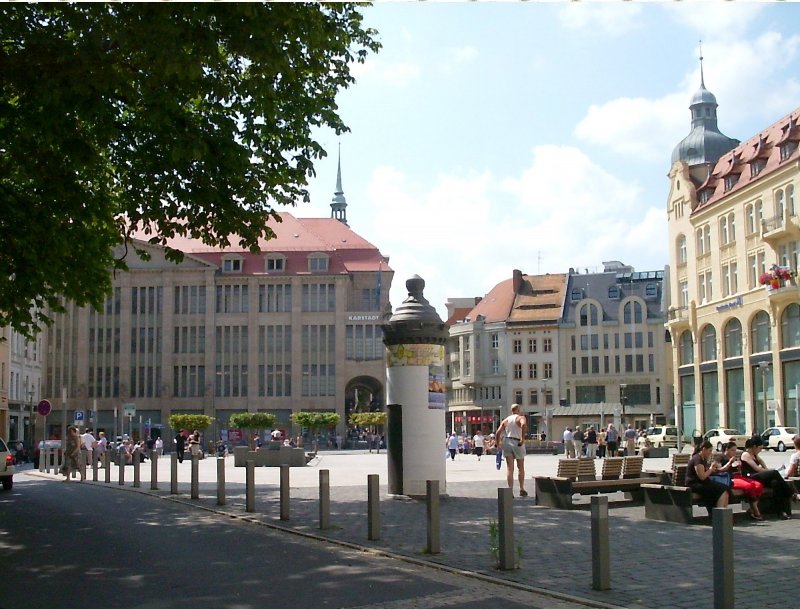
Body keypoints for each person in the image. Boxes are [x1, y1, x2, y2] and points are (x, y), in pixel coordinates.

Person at [740, 436, 798, 519]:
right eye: (759, 448)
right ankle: (791, 494)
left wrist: (768, 471)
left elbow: (762, 462)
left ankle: (780, 512)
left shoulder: (755, 454)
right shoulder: (746, 454)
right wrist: (769, 472)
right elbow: (757, 469)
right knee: (774, 472)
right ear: (754, 447)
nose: (760, 451)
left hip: (757, 476)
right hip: (750, 477)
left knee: (775, 482)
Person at [716, 442, 764, 521]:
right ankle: (755, 509)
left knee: (758, 485)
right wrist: (730, 463)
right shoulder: (721, 458)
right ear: (727, 450)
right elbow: (720, 470)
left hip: (739, 477)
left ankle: (752, 508)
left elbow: (739, 471)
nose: (734, 452)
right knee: (748, 486)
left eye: (735, 450)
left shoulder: (735, 458)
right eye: (732, 450)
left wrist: (739, 467)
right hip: (729, 478)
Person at [495, 403, 528, 497]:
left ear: (511, 410)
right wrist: (522, 438)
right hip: (517, 442)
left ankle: (510, 490)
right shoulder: (521, 418)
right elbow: (523, 425)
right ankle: (521, 488)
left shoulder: (506, 420)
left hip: (507, 441)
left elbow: (498, 432)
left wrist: (498, 443)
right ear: (518, 409)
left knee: (510, 468)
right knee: (520, 467)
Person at [686, 440, 729, 512]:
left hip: (702, 483)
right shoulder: (697, 459)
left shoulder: (703, 459)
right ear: (704, 449)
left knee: (725, 489)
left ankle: (724, 515)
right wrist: (711, 469)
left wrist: (713, 469)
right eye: (709, 450)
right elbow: (702, 477)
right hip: (695, 484)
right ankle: (719, 515)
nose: (710, 453)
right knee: (721, 490)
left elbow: (706, 473)